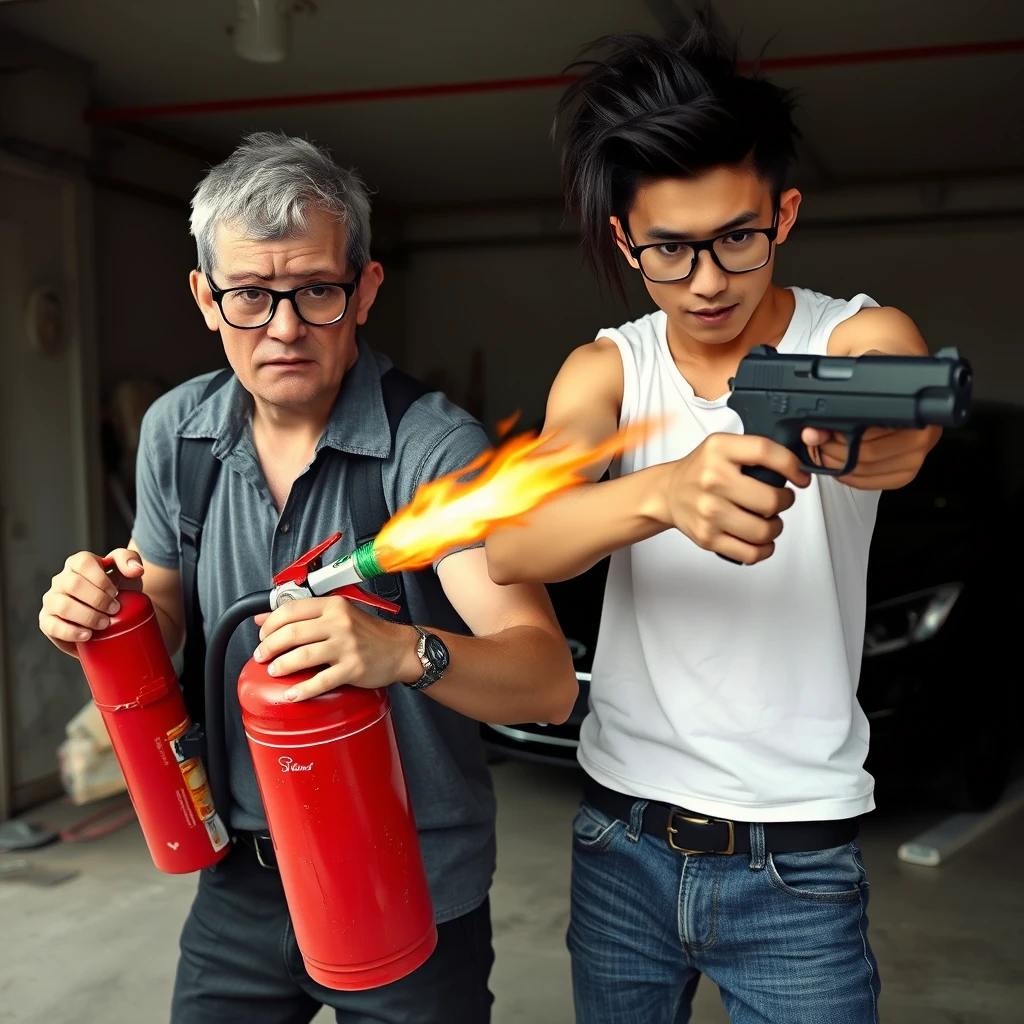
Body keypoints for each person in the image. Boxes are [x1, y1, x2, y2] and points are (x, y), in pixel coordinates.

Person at [38, 131, 578, 1024]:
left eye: (315, 291)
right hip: (243, 877)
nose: (283, 328)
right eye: (251, 295)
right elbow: (169, 618)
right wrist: (106, 611)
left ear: (363, 289)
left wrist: (404, 650)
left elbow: (547, 682)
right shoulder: (177, 433)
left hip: (409, 883)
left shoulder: (435, 453)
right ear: (206, 300)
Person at [485, 19, 941, 1024]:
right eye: (668, 249)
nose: (704, 281)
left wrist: (866, 440)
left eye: (735, 238)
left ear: (783, 213)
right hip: (619, 840)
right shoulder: (607, 368)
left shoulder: (852, 334)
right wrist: (661, 492)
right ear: (622, 237)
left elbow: (895, 406)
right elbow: (514, 541)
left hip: (797, 853)